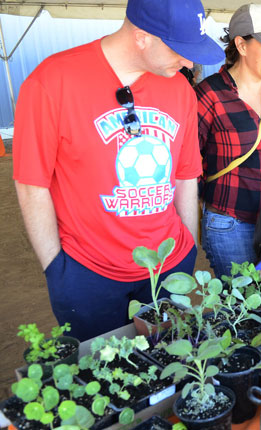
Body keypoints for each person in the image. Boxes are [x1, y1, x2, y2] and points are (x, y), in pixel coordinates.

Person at [12, 0, 223, 341]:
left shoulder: (180, 90)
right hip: (87, 276)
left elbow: (186, 176)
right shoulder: (51, 82)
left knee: (167, 366)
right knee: (108, 378)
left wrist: (187, 249)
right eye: (179, 50)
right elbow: (31, 184)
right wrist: (57, 270)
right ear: (142, 36)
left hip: (167, 266)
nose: (188, 62)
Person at [197, 4, 261, 279]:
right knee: (241, 310)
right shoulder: (209, 95)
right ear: (241, 45)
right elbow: (190, 167)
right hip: (232, 225)